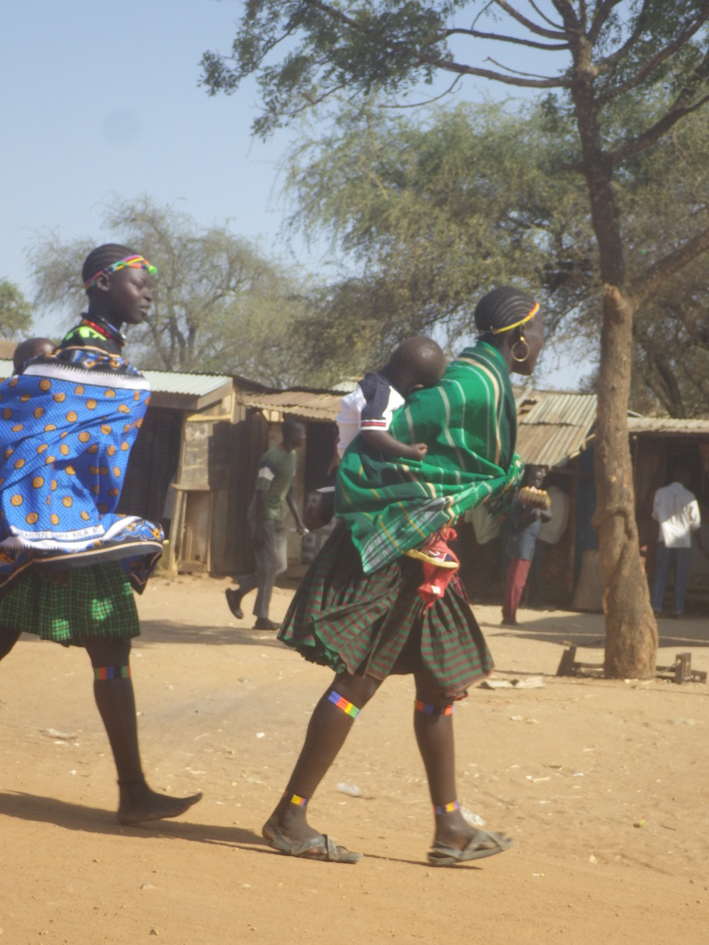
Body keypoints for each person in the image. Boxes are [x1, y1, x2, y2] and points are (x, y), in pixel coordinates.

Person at [260, 286, 543, 866]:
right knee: (359, 681)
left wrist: (501, 493)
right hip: (394, 549)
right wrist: (344, 488)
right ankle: (289, 816)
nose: (542, 345)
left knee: (439, 683)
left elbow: (466, 467)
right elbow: (384, 434)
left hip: (426, 550)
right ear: (518, 340)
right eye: (539, 335)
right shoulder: (475, 384)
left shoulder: (478, 380)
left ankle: (451, 828)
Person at [0, 244, 202, 826]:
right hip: (47, 524)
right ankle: (134, 792)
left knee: (109, 646)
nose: (149, 293)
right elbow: (29, 431)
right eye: (138, 283)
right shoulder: (81, 360)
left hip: (66, 523)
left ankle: (134, 791)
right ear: (101, 284)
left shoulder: (102, 359)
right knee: (106, 646)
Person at [225, 418, 307, 630]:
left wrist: (299, 521)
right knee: (269, 566)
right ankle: (262, 617)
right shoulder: (271, 459)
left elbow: (288, 489)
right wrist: (259, 528)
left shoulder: (293, 457)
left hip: (277, 515)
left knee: (280, 565)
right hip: (263, 516)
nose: (304, 437)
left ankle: (238, 592)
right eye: (301, 434)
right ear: (289, 435)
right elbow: (260, 492)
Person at [336, 336, 447, 461]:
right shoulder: (382, 394)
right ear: (416, 389)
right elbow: (371, 431)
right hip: (356, 463)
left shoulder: (374, 384)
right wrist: (407, 451)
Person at [651, 468, 708, 617]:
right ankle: (678, 610)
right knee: (681, 577)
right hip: (683, 543)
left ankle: (656, 607)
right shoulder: (690, 496)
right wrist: (701, 545)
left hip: (664, 539)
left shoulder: (660, 493)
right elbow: (695, 524)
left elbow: (656, 516)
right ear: (686, 479)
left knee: (660, 575)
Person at [501, 466, 551, 627]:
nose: (536, 483)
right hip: (521, 545)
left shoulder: (540, 500)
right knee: (516, 583)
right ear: (528, 479)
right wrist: (529, 510)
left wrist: (539, 511)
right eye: (534, 479)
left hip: (528, 546)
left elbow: (549, 515)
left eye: (539, 480)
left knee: (515, 582)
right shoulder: (521, 498)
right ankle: (509, 616)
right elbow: (516, 521)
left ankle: (508, 614)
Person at [529, 480, 570, 608]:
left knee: (537, 569)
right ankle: (537, 597)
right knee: (538, 568)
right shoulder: (566, 498)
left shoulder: (546, 496)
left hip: (542, 536)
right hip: (555, 537)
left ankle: (537, 597)